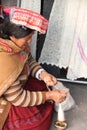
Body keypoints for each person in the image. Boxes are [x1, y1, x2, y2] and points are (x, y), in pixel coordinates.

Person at [0, 7, 67, 130]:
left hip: (17, 86)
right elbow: (18, 98)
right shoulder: (4, 62)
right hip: (9, 99)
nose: (30, 41)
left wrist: (43, 74)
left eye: (31, 37)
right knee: (36, 121)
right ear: (12, 36)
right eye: (27, 38)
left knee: (43, 85)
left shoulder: (14, 45)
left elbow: (28, 60)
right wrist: (49, 96)